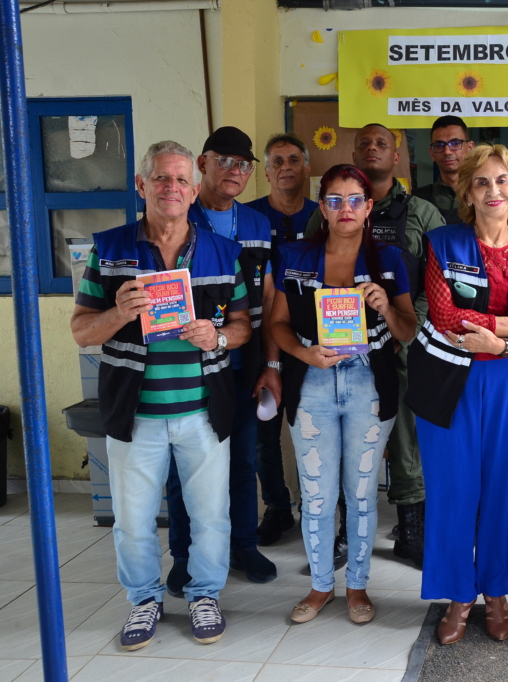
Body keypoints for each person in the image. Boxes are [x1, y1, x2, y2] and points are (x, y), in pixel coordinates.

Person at [70, 140, 251, 649]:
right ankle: (143, 601)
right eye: (160, 179)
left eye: (179, 180)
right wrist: (119, 313)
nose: (170, 188)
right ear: (141, 185)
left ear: (194, 190)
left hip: (203, 411)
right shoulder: (110, 248)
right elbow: (83, 332)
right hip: (136, 413)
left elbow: (242, 327)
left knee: (211, 514)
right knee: (132, 519)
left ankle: (204, 595)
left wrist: (216, 336)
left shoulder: (222, 252)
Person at [405, 144, 508, 645]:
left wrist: (504, 342)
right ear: (467, 192)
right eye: (483, 182)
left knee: (505, 493)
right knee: (452, 493)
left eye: (502, 181)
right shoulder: (443, 243)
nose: (494, 190)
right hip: (451, 384)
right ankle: (457, 594)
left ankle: (496, 592)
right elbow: (447, 319)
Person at [269, 164, 417, 624]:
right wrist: (303, 353)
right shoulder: (293, 255)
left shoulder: (389, 259)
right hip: (311, 383)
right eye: (334, 199)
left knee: (360, 494)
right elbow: (274, 323)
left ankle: (356, 586)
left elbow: (409, 331)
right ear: (322, 207)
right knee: (315, 495)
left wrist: (385, 307)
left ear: (369, 207)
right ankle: (319, 587)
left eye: (355, 199)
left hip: (368, 386)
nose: (345, 208)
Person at [306, 123, 445, 570]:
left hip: (404, 341)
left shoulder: (421, 212)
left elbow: (437, 280)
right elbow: (308, 272)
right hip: (340, 351)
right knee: (346, 442)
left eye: (381, 143)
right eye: (364, 143)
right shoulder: (328, 208)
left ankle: (411, 530)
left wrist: (411, 327)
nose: (372, 149)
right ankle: (343, 534)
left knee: (406, 440)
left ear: (397, 154)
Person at [163, 126, 277, 594]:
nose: (235, 171)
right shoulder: (178, 215)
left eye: (244, 165)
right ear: (202, 165)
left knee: (243, 457)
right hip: (184, 364)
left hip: (241, 356)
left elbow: (268, 299)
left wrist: (270, 363)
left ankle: (244, 545)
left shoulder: (255, 223)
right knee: (181, 467)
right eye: (225, 161)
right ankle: (184, 555)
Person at [245, 133, 320, 546]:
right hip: (258, 340)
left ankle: (317, 507)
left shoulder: (321, 216)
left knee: (314, 431)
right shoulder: (250, 218)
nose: (286, 167)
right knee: (263, 434)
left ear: (307, 167)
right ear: (267, 170)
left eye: (294, 159)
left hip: (312, 342)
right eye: (278, 161)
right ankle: (277, 507)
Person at [413, 115, 474, 224]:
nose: (447, 151)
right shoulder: (417, 199)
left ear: (470, 148)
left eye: (455, 144)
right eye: (439, 145)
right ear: (432, 153)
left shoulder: (484, 194)